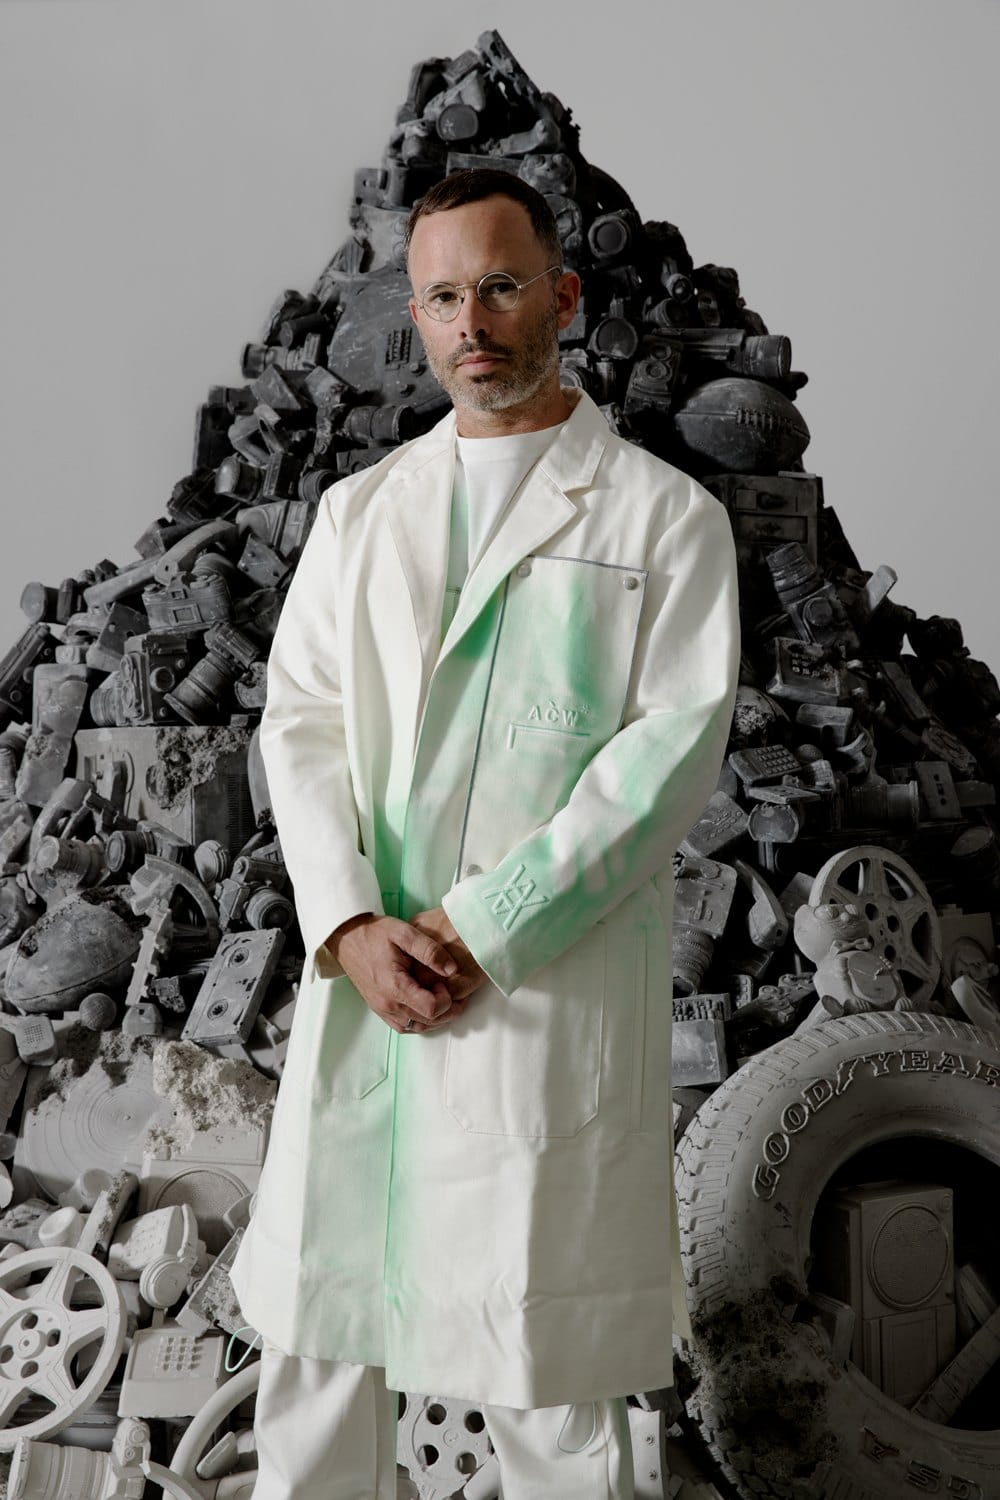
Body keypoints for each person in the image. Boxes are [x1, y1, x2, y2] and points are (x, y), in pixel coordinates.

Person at [229, 167, 741, 1500]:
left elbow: (659, 766)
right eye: (446, 295)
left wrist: (480, 926)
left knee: (555, 1392)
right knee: (318, 1361)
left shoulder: (661, 523)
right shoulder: (361, 515)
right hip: (368, 990)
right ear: (416, 313)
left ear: (562, 296)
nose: (475, 323)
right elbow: (302, 726)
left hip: (536, 1003)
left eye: (503, 287)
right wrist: (347, 926)